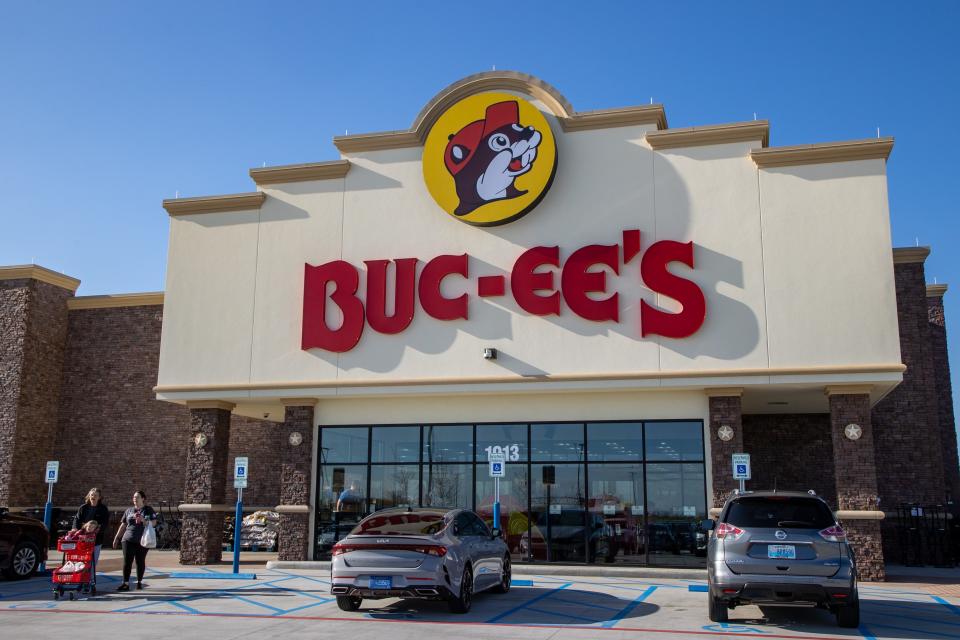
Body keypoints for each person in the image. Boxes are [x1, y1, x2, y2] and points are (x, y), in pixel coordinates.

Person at [112, 490, 156, 591]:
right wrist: (117, 537)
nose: (135, 499)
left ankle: (139, 582)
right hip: (128, 539)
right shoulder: (129, 510)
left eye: (137, 497)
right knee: (127, 562)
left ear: (143, 499)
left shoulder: (148, 510)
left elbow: (154, 523)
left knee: (140, 561)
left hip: (143, 540)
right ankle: (125, 583)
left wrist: (143, 520)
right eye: (134, 497)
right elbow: (123, 525)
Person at [71, 488, 110, 569]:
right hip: (82, 539)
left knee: (93, 560)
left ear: (99, 497)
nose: (93, 497)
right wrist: (74, 529)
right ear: (89, 496)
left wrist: (97, 530)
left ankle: (91, 578)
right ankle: (81, 576)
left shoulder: (103, 509)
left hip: (96, 539)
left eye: (95, 495)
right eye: (92, 495)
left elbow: (105, 523)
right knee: (81, 559)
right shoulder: (83, 508)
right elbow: (77, 519)